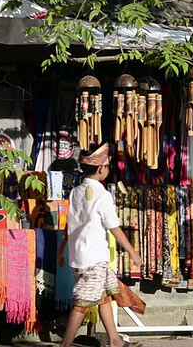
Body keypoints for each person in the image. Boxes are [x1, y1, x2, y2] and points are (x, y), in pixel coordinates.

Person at [58, 141, 141, 347]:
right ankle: (65, 344)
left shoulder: (75, 192)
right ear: (102, 168)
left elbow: (70, 225)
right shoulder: (103, 195)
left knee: (104, 296)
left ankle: (115, 340)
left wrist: (61, 251)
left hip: (80, 255)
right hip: (94, 257)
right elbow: (114, 227)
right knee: (82, 303)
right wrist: (132, 252)